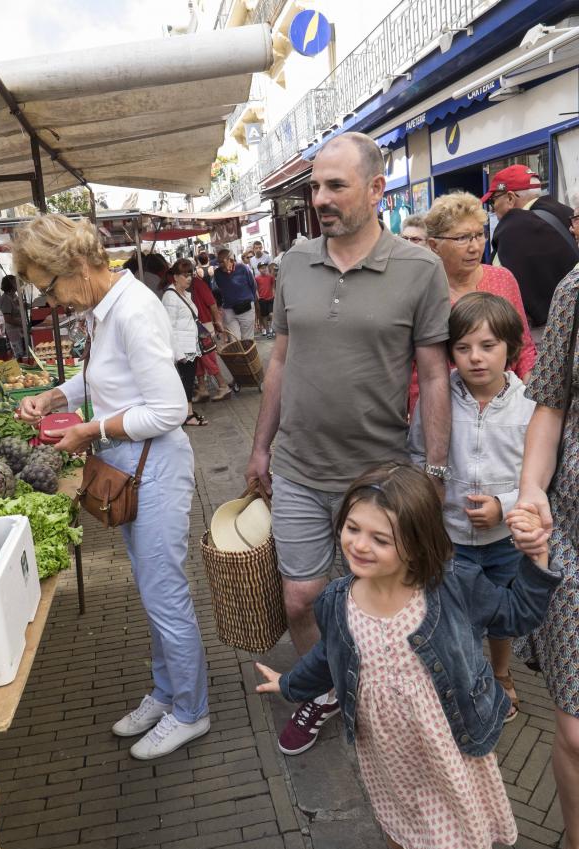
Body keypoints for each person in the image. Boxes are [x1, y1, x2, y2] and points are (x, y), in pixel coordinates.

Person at [246, 131, 452, 755]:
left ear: (376, 188)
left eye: (336, 185)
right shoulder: (293, 264)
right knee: (301, 595)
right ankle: (328, 690)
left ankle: (388, 694)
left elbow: (436, 373)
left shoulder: (420, 269)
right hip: (300, 467)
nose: (321, 199)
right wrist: (260, 447)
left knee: (380, 596)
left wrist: (434, 471)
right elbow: (278, 360)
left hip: (378, 476)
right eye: (315, 186)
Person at [256, 463, 560, 849]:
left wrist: (536, 560)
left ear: (417, 543)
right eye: (352, 528)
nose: (360, 545)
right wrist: (289, 684)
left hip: (449, 747)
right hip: (386, 755)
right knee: (398, 825)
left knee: (456, 837)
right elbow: (328, 657)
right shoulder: (336, 601)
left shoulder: (453, 585)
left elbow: (517, 613)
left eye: (380, 539)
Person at [12, 213, 209, 760]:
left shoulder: (134, 309)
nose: (52, 301)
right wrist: (55, 398)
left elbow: (172, 409)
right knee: (153, 593)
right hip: (130, 468)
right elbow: (104, 376)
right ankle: (167, 693)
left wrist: (91, 429)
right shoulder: (107, 309)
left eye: (49, 287)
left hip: (154, 468)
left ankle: (191, 709)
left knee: (165, 595)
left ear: (76, 265)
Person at [410, 292, 536, 721]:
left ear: (511, 348)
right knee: (453, 616)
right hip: (450, 538)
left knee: (501, 613)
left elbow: (542, 478)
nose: (475, 358)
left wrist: (504, 506)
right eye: (462, 348)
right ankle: (466, 679)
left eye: (488, 346)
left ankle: (501, 674)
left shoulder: (531, 405)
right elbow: (416, 454)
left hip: (505, 540)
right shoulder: (437, 398)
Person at [507, 263, 579, 849]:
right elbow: (550, 404)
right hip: (573, 534)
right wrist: (532, 488)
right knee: (577, 733)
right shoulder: (577, 288)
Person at [408, 191, 537, 415]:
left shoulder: (502, 278)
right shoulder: (421, 290)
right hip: (446, 408)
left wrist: (531, 400)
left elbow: (523, 346)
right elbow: (414, 368)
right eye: (461, 238)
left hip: (505, 407)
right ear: (433, 244)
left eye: (479, 235)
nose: (475, 247)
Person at [482, 164, 579, 341]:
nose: (493, 208)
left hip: (542, 335)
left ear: (510, 198)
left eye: (493, 200)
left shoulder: (511, 227)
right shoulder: (567, 212)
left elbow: (498, 290)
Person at [162, 260, 208, 427]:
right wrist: (178, 353)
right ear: (175, 277)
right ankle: (187, 415)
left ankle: (187, 413)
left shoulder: (184, 294)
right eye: (185, 275)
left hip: (190, 346)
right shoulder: (170, 296)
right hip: (182, 349)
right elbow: (169, 327)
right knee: (185, 382)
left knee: (188, 381)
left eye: (190, 274)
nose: (189, 278)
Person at [188, 265, 231, 403]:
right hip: (193, 327)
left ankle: (223, 386)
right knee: (198, 359)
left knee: (207, 358)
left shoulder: (197, 283)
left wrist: (217, 321)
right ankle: (202, 389)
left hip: (203, 326)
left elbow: (212, 303)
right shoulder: (185, 286)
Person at [213, 248, 259, 343]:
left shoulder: (242, 268)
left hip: (246, 307)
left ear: (232, 260)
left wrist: (251, 300)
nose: (226, 269)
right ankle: (239, 357)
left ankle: (248, 358)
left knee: (247, 340)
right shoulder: (217, 273)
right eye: (222, 266)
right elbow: (221, 288)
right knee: (234, 340)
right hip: (229, 309)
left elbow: (253, 285)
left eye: (227, 265)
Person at [0, 275, 26, 358]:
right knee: (19, 354)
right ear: (10, 284)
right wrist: (22, 324)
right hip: (14, 331)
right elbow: (8, 318)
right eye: (15, 282)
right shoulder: (5, 299)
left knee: (24, 351)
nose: (17, 284)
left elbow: (20, 306)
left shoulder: (14, 296)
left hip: (20, 329)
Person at [255, 261, 276, 338]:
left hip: (270, 298)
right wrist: (258, 297)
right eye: (262, 268)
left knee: (272, 314)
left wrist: (274, 294)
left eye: (265, 268)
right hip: (262, 299)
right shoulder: (256, 278)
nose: (264, 269)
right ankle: (267, 331)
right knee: (264, 316)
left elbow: (273, 286)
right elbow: (256, 288)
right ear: (258, 269)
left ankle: (273, 329)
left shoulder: (270, 277)